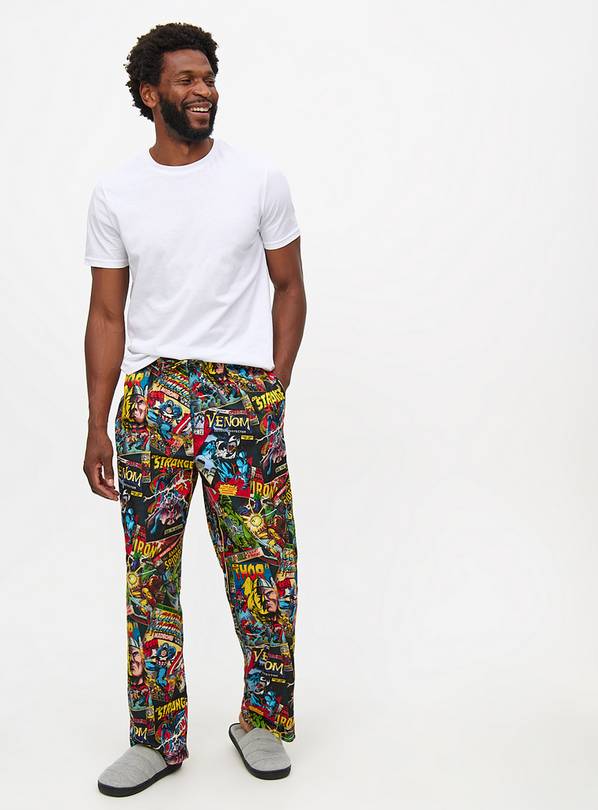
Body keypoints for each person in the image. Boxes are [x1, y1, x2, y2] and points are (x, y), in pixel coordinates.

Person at [82, 21, 306, 796]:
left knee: (264, 568)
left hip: (242, 396)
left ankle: (263, 719)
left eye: (208, 76)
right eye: (186, 78)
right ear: (151, 94)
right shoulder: (116, 192)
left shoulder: (259, 179)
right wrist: (96, 423)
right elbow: (105, 314)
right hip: (153, 400)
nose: (203, 89)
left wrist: (273, 388)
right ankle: (156, 737)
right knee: (150, 576)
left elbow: (290, 287)